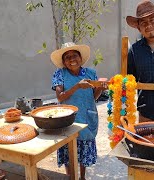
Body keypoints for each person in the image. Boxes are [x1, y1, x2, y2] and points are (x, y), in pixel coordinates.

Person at [51, 42, 106, 179]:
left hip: (86, 115)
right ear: (63, 62)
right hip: (67, 118)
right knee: (67, 148)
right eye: (67, 57)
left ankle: (82, 177)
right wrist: (77, 86)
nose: (71, 59)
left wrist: (101, 88)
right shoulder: (60, 74)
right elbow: (60, 97)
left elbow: (93, 97)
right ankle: (70, 176)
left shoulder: (91, 73)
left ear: (80, 58)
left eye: (74, 55)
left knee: (84, 149)